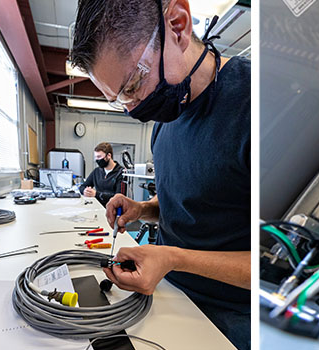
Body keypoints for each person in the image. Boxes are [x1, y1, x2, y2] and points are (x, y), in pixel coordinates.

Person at [70, 0, 251, 348]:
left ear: (178, 25)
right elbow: (193, 201)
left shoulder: (253, 109)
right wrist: (144, 209)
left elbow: (280, 267)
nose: (132, 107)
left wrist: (172, 258)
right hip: (166, 291)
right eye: (118, 99)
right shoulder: (165, 124)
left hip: (232, 314)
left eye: (133, 83)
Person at [78, 142, 125, 207]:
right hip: (98, 207)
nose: (97, 160)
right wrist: (85, 191)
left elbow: (118, 197)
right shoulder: (97, 171)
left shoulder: (121, 173)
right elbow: (83, 186)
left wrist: (96, 194)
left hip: (113, 210)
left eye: (99, 156)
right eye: (96, 157)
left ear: (109, 156)